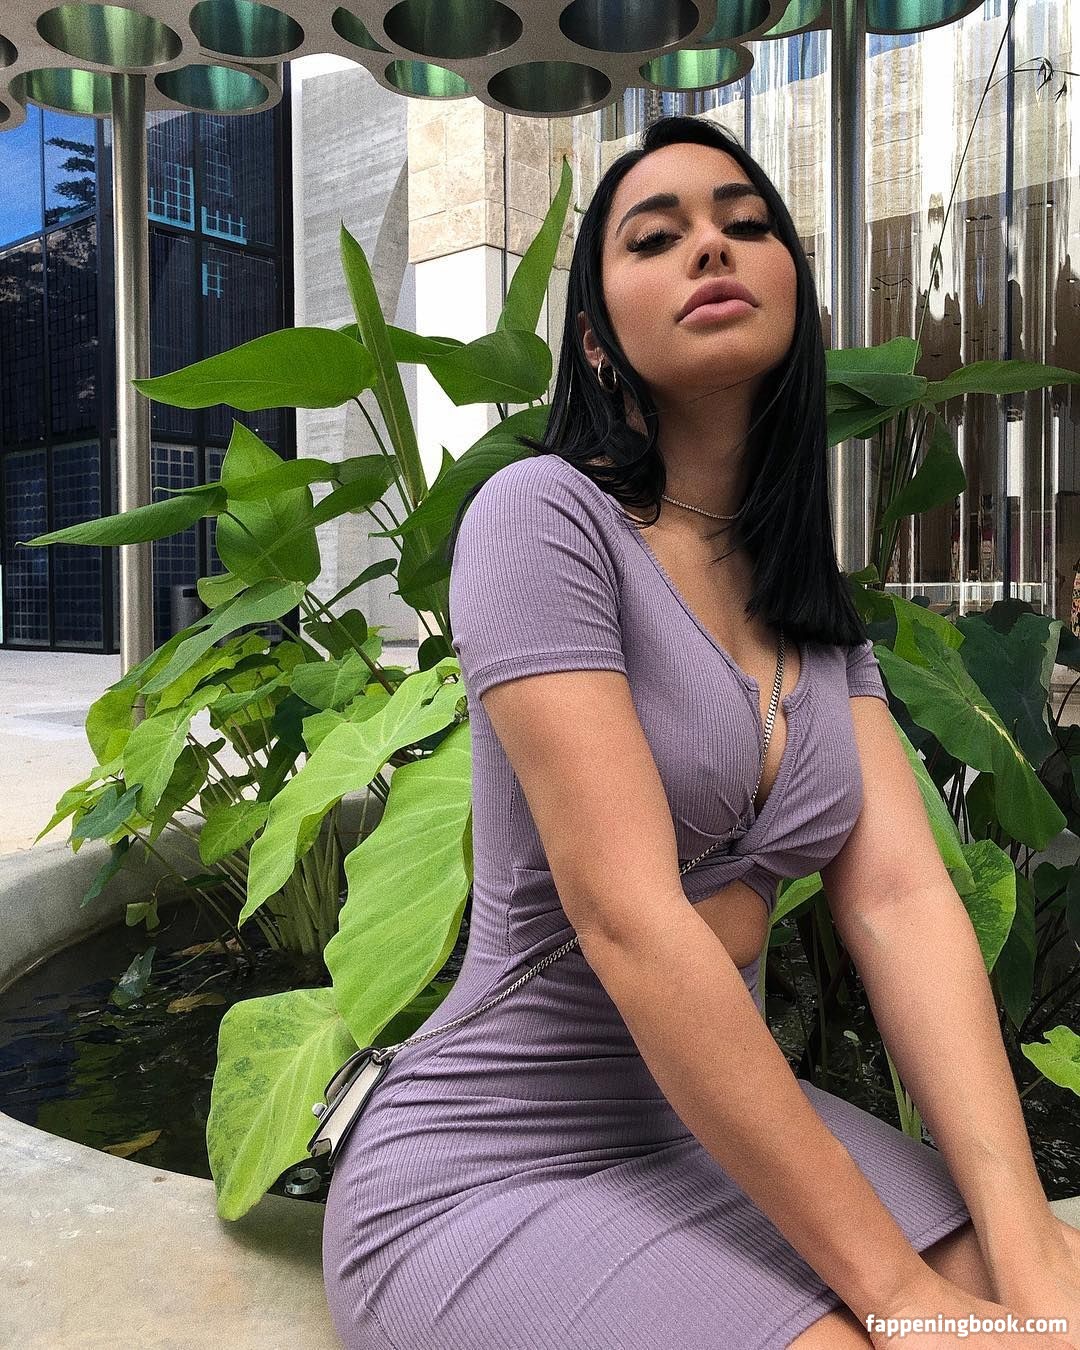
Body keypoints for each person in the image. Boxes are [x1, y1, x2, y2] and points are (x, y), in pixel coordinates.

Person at [322, 114, 1080, 1349]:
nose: (711, 248)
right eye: (655, 237)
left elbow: (901, 901)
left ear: (795, 291)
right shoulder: (541, 518)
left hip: (715, 1132)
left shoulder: (812, 614)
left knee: (1048, 1302)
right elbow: (631, 921)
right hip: (496, 1160)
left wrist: (1023, 1238)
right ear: (595, 340)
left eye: (744, 224)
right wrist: (903, 1301)